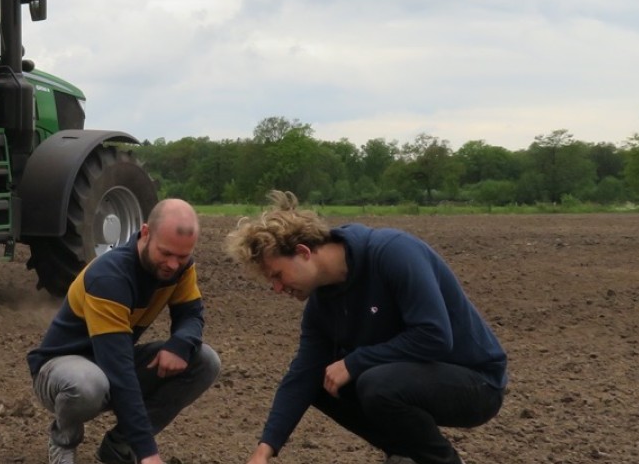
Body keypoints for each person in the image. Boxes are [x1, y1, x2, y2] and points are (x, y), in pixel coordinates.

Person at [226, 191, 507, 464]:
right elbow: (302, 374)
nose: (276, 288)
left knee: (376, 384)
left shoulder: (393, 252)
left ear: (303, 252)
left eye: (277, 275)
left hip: (477, 381)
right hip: (413, 378)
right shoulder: (322, 304)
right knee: (318, 382)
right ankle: (405, 453)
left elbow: (434, 335)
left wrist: (355, 361)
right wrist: (263, 452)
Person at [27, 199, 221, 464]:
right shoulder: (110, 277)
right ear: (145, 234)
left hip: (110, 360)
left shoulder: (181, 268)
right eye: (165, 253)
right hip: (60, 371)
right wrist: (149, 454)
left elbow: (190, 314)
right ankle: (63, 440)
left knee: (205, 361)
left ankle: (119, 446)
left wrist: (180, 343)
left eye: (182, 256)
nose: (174, 265)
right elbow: (119, 370)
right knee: (88, 384)